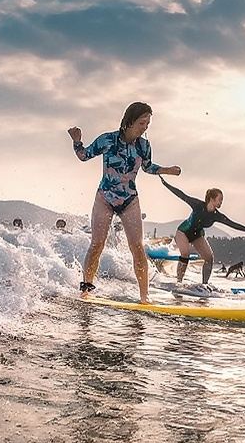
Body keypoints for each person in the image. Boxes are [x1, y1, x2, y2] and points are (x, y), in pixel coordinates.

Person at [69, 102, 180, 302]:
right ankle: (85, 290)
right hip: (105, 198)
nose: (145, 126)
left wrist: (166, 170)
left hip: (130, 200)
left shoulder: (144, 145)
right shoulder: (108, 140)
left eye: (148, 123)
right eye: (142, 122)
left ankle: (144, 297)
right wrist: (77, 140)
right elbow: (84, 155)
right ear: (129, 121)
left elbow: (147, 167)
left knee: (137, 247)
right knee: (97, 244)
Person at [159, 177, 245, 286]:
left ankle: (205, 285)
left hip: (197, 235)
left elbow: (233, 224)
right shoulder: (198, 205)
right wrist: (166, 184)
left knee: (209, 258)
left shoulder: (217, 216)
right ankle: (179, 283)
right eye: (220, 199)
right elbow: (182, 195)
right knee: (185, 254)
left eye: (222, 200)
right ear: (212, 199)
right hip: (183, 232)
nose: (221, 202)